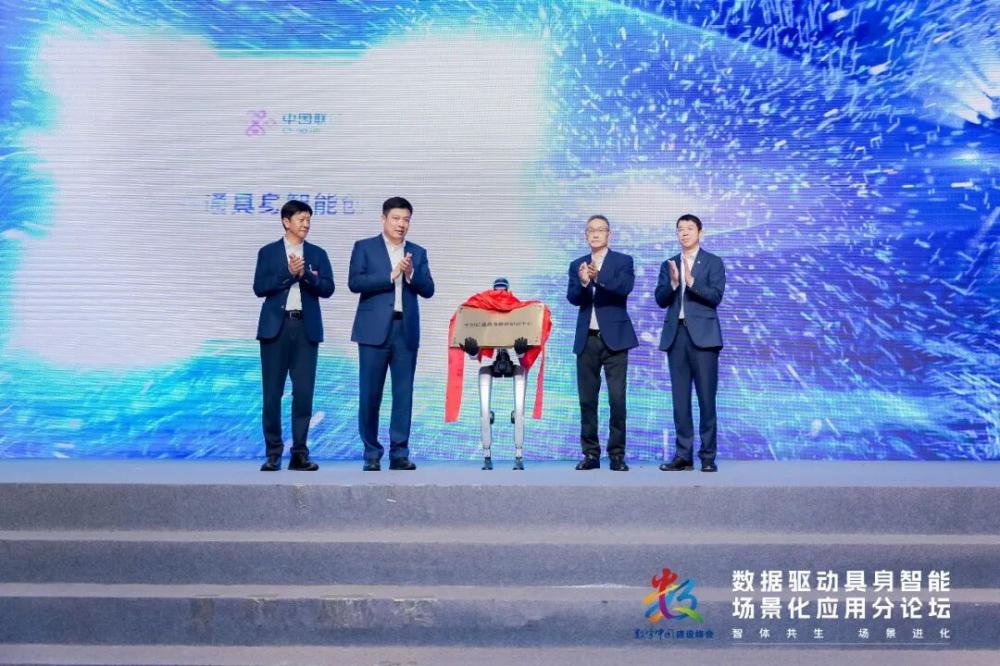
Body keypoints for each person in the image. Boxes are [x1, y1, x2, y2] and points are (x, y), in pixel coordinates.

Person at [348, 197, 434, 471]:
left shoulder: (417, 252)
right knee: (369, 394)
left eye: (406, 219)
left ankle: (399, 454)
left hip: (405, 331)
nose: (401, 224)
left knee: (403, 394)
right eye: (396, 218)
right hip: (373, 332)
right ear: (383, 219)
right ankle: (371, 453)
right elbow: (355, 282)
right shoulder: (364, 247)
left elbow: (429, 289)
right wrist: (390, 275)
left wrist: (410, 275)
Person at [253, 199, 335, 472]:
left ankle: (299, 453)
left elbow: (328, 288)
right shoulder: (268, 252)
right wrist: (288, 274)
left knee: (303, 394)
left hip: (305, 329)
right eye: (301, 219)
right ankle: (273, 453)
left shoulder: (317, 253)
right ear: (286, 222)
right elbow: (260, 287)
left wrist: (307, 276)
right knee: (272, 395)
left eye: (309, 220)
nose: (306, 224)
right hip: (275, 330)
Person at [445, 277, 552, 470]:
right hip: (491, 364)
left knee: (519, 403)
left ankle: (518, 453)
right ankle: (486, 453)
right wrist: (473, 351)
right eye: (497, 289)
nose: (500, 293)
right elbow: (477, 341)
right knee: (484, 404)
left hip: (513, 362)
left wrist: (521, 351)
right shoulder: (481, 310)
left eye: (503, 289)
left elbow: (525, 354)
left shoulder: (519, 310)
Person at [566, 215, 639, 471]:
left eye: (600, 230)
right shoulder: (577, 264)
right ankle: (590, 454)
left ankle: (617, 454)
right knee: (587, 400)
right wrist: (584, 283)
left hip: (615, 340)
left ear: (609, 234)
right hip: (587, 340)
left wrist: (598, 278)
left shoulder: (623, 261)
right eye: (591, 230)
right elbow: (573, 298)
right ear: (586, 236)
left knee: (617, 400)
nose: (595, 234)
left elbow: (624, 288)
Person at [655, 214, 726, 473]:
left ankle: (707, 456)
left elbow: (715, 296)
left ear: (700, 232)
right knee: (680, 401)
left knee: (706, 399)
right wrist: (674, 284)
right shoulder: (669, 263)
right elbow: (660, 299)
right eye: (680, 229)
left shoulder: (713, 262)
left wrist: (691, 281)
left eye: (689, 228)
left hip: (704, 338)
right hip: (677, 337)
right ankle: (683, 456)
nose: (684, 233)